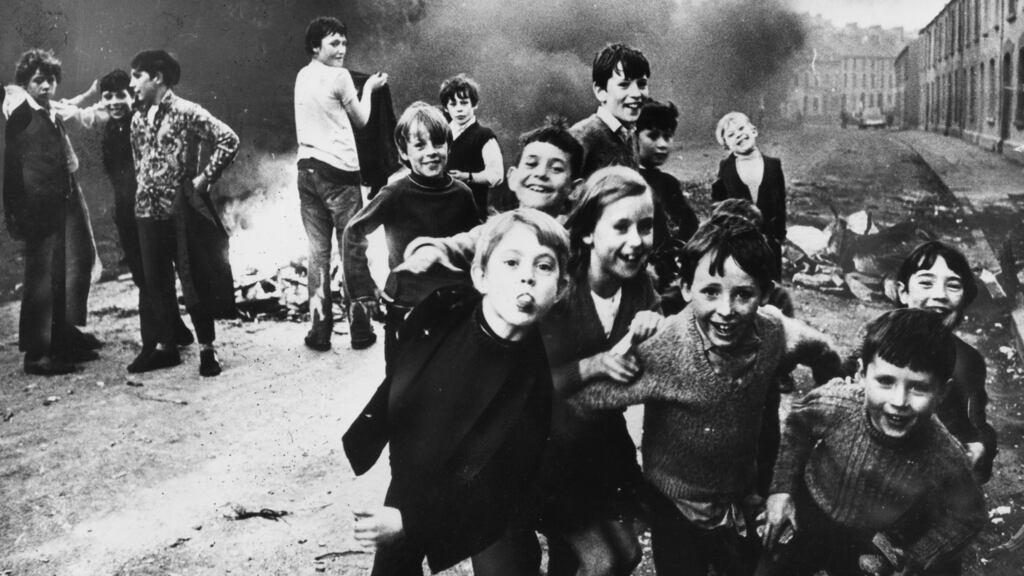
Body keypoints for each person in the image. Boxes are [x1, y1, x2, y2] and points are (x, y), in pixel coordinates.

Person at [571, 214, 842, 576]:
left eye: (743, 294)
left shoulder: (774, 332)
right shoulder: (664, 348)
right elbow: (584, 402)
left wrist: (832, 388)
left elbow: (822, 350)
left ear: (764, 293)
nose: (726, 310)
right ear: (686, 289)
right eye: (710, 291)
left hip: (739, 497)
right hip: (674, 505)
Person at [342, 208, 570, 576]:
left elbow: (495, 483)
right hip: (417, 466)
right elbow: (403, 374)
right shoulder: (445, 308)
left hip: (491, 493)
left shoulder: (533, 387)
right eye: (511, 263)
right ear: (480, 276)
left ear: (560, 290)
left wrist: (409, 522)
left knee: (509, 565)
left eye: (544, 267)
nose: (527, 276)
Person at [761, 309, 987, 576]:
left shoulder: (943, 452)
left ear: (942, 392)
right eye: (885, 381)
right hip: (811, 508)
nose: (899, 401)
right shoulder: (837, 403)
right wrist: (782, 491)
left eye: (919, 387)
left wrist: (919, 555)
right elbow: (798, 424)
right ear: (861, 375)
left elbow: (969, 514)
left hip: (875, 536)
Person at [537, 166, 661, 576]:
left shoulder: (642, 286)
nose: (635, 241)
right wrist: (591, 365)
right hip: (550, 452)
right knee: (599, 561)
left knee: (626, 556)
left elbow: (656, 331)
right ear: (588, 232)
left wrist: (652, 323)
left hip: (604, 447)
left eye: (646, 227)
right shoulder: (560, 292)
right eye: (621, 226)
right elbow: (529, 383)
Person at [59, 69, 196, 358]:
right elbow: (68, 111)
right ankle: (175, 328)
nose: (113, 102)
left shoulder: (142, 120)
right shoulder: (111, 120)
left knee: (151, 273)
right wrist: (89, 95)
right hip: (126, 211)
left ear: (131, 94)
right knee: (144, 273)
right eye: (107, 97)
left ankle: (162, 341)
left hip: (147, 207)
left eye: (119, 95)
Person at [840, 241, 997, 484]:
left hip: (929, 477)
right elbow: (835, 402)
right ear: (903, 292)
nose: (939, 295)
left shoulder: (968, 361)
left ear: (965, 297)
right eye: (926, 282)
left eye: (953, 285)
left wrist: (980, 446)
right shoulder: (873, 341)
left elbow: (975, 423)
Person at [342, 102, 479, 369]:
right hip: (406, 306)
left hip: (454, 307)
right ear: (404, 153)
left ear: (449, 147)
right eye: (420, 146)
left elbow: (476, 247)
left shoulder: (463, 194)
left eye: (438, 143)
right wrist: (363, 289)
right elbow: (354, 231)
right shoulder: (395, 193)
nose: (431, 152)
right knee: (401, 383)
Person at [128, 49, 239, 376]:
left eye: (138, 76)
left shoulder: (187, 111)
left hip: (181, 210)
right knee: (155, 281)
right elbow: (140, 162)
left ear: (157, 77)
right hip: (147, 210)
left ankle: (208, 349)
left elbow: (228, 139)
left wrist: (204, 178)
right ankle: (165, 347)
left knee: (194, 278)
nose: (133, 83)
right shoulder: (137, 118)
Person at [2, 48, 100, 375]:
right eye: (38, 81)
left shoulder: (47, 111)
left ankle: (58, 339)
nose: (45, 87)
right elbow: (13, 169)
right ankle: (36, 354)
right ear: (25, 85)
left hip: (55, 204)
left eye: (51, 80)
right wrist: (16, 212)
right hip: (35, 209)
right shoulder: (21, 112)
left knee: (58, 275)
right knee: (40, 281)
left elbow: (64, 107)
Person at [295, 16, 389, 352]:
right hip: (339, 174)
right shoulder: (341, 77)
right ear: (315, 46)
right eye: (334, 43)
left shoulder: (302, 76)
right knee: (352, 249)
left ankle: (319, 332)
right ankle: (361, 330)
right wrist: (370, 90)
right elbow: (362, 121)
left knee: (317, 254)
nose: (342, 49)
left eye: (344, 42)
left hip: (305, 173)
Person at [399, 116, 583, 273]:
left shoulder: (579, 242)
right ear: (512, 178)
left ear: (575, 189)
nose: (541, 174)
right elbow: (460, 245)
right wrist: (430, 250)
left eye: (556, 168)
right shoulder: (495, 230)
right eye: (531, 164)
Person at [636, 99, 699, 314]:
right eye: (653, 136)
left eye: (668, 136)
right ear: (633, 137)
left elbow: (691, 227)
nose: (662, 144)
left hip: (667, 273)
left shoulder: (668, 183)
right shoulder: (626, 179)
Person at [711, 111, 787, 282]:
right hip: (738, 245)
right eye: (731, 135)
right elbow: (717, 206)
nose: (738, 135)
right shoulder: (726, 169)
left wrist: (779, 235)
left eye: (741, 128)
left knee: (770, 289)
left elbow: (780, 203)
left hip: (769, 243)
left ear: (754, 131)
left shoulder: (773, 165)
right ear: (726, 146)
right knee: (744, 287)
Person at [570, 43, 649, 180]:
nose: (636, 93)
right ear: (601, 92)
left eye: (641, 84)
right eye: (624, 85)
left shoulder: (629, 136)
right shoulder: (581, 137)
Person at [439, 73, 503, 221]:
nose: (459, 109)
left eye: (464, 103)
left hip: (470, 213)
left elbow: (496, 175)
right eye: (453, 104)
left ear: (474, 104)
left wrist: (468, 177)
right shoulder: (441, 134)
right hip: (440, 210)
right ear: (446, 108)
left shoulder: (484, 136)